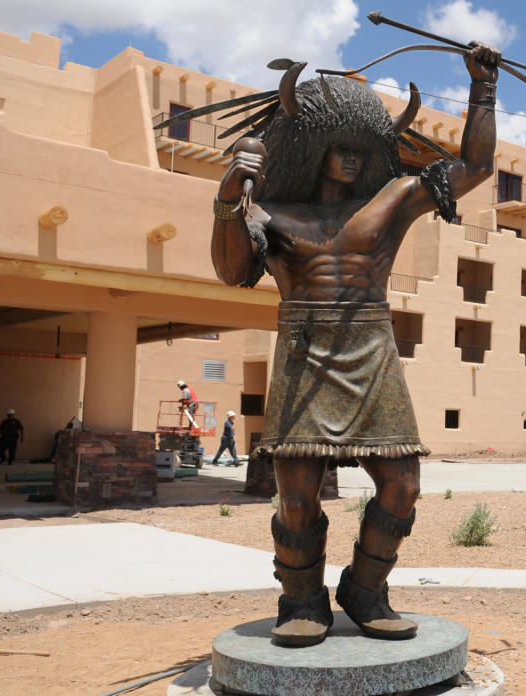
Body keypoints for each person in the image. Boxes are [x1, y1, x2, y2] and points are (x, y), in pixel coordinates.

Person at [211, 43, 500, 647]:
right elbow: (233, 270)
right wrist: (227, 201)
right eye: (338, 147)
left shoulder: (392, 199)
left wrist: (482, 89)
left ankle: (366, 589)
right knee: (294, 497)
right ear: (315, 149)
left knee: (402, 485)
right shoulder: (272, 213)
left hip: (372, 348)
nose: (349, 158)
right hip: (302, 350)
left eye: (359, 148)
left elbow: (474, 166)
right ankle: (301, 600)